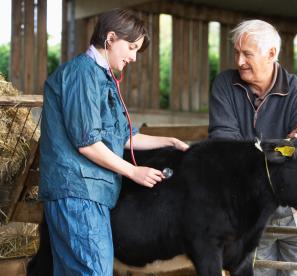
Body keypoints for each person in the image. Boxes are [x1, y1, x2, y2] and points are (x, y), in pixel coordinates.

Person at [39, 9, 188, 276]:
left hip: (90, 194)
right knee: (94, 270)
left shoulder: (102, 78)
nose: (133, 56)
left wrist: (170, 140)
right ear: (110, 38)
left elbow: (124, 136)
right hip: (77, 191)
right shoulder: (82, 74)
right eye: (131, 47)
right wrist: (133, 171)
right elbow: (87, 142)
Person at [208, 19, 297, 276]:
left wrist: (294, 148)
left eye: (247, 54)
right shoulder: (225, 85)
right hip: (252, 208)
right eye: (236, 52)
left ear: (272, 54)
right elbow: (224, 145)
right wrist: (282, 150)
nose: (239, 61)